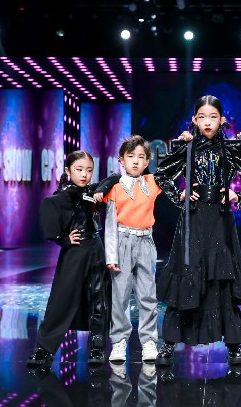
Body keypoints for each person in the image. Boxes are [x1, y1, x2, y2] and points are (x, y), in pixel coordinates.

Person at [153, 95, 241, 366]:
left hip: (220, 218)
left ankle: (234, 345)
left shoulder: (231, 148)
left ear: (221, 120)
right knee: (188, 271)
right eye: (201, 117)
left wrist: (238, 194)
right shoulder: (187, 146)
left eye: (212, 117)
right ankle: (169, 343)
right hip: (192, 217)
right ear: (194, 120)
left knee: (222, 275)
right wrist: (179, 194)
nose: (207, 122)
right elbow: (161, 175)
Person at [27, 151, 119, 368]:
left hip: (96, 250)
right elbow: (50, 222)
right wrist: (64, 240)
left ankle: (97, 347)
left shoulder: (92, 191)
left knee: (99, 299)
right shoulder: (61, 197)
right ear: (68, 171)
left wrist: (100, 189)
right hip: (75, 253)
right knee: (62, 299)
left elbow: (115, 177)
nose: (84, 174)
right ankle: (44, 348)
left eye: (89, 170)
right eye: (79, 170)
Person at [97, 135, 162, 363]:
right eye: (130, 156)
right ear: (121, 160)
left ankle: (149, 341)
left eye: (141, 157)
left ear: (147, 162)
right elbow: (110, 224)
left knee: (148, 295)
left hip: (145, 242)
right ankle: (118, 341)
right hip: (122, 242)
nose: (135, 161)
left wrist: (185, 142)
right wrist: (111, 256)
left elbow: (173, 168)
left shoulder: (152, 183)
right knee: (120, 296)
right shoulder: (114, 188)